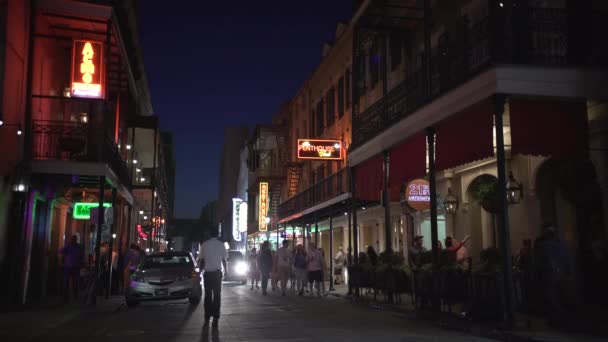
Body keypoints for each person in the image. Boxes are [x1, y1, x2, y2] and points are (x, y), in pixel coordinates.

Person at [199, 230, 228, 326]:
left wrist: (199, 271)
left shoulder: (204, 245)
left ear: (209, 234)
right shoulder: (221, 245)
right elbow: (224, 260)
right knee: (217, 295)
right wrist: (226, 272)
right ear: (217, 234)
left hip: (207, 273)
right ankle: (216, 315)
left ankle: (207, 315)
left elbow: (202, 260)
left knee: (207, 295)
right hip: (217, 273)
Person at [59, 235, 84, 302]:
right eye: (72, 239)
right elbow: (61, 251)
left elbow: (82, 256)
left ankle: (74, 296)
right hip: (69, 266)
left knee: (74, 282)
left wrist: (81, 263)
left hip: (74, 266)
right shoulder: (69, 246)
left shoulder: (78, 247)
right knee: (67, 282)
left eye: (74, 239)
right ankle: (67, 296)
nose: (73, 240)